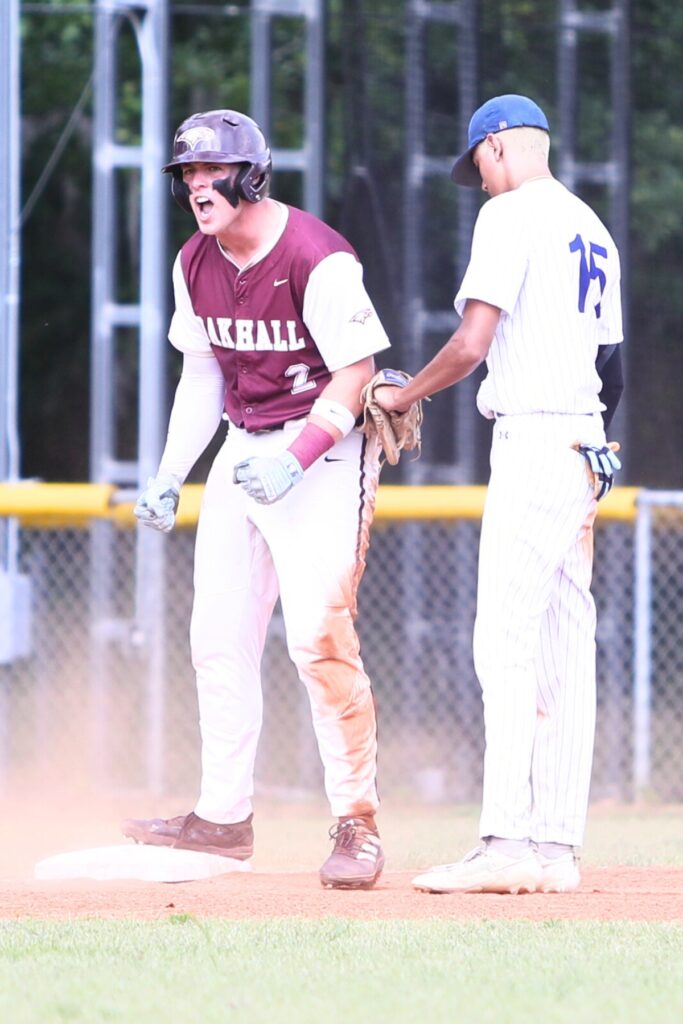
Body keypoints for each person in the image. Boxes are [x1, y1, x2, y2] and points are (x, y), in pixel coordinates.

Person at [121, 109, 391, 889]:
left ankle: (358, 824)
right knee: (216, 636)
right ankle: (223, 817)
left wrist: (299, 458)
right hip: (244, 447)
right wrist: (172, 471)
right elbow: (204, 375)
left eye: (212, 172)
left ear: (251, 174)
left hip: (325, 450)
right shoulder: (193, 261)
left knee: (317, 640)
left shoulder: (316, 254)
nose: (198, 188)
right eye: (187, 176)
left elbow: (358, 372)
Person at [375, 94, 624, 894]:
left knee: (504, 642)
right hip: (585, 444)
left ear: (496, 149)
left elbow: (471, 344)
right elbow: (611, 365)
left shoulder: (511, 214)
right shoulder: (593, 228)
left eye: (477, 166)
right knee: (561, 649)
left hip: (535, 439)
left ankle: (506, 840)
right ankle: (555, 851)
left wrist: (404, 393)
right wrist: (588, 448)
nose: (479, 183)